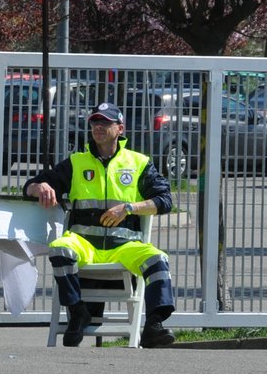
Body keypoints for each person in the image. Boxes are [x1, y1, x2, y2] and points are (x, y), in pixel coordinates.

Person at [24, 101, 176, 348]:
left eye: (105, 122)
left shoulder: (138, 162)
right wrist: (39, 186)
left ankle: (153, 326)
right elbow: (30, 185)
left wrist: (128, 208)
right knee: (60, 248)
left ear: (120, 128)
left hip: (125, 245)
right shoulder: (76, 162)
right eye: (95, 122)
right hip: (85, 243)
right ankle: (77, 311)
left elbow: (165, 200)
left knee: (158, 260)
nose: (98, 127)